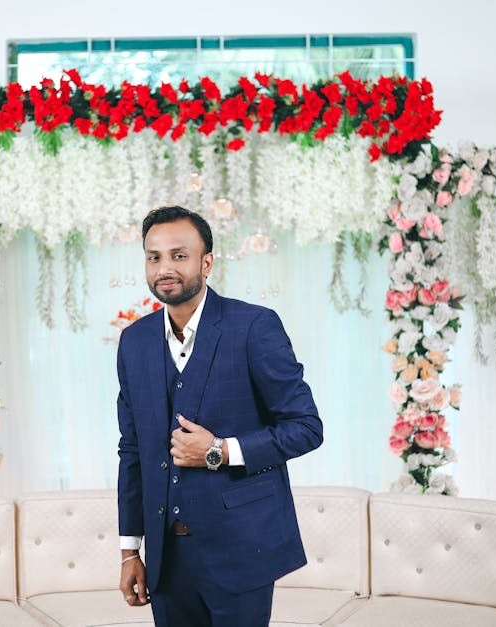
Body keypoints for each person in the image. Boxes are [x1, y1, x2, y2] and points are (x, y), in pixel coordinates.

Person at [116, 205, 324, 626]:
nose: (164, 268)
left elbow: (305, 428)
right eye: (153, 256)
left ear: (206, 262)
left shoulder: (254, 327)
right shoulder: (133, 342)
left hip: (242, 550)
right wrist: (130, 550)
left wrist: (218, 451)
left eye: (179, 255)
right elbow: (132, 449)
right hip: (165, 560)